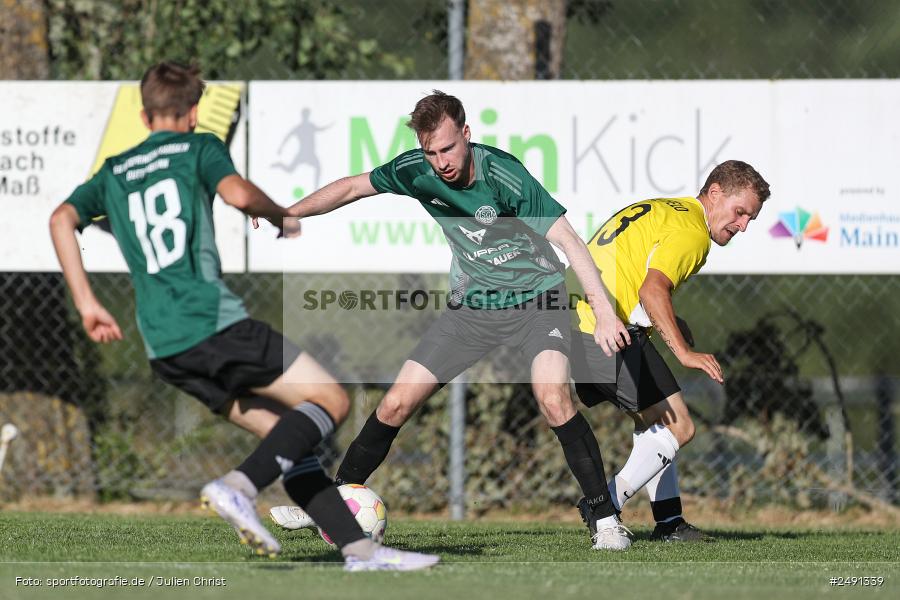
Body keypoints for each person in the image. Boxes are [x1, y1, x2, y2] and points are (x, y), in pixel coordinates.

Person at [48, 61, 438, 572]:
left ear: (144, 117)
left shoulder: (115, 170)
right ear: (192, 114)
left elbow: (61, 219)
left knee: (290, 442)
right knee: (331, 399)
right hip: (211, 322)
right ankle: (237, 487)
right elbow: (236, 194)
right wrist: (280, 213)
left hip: (164, 345)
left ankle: (360, 551)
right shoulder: (199, 147)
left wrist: (87, 303)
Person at [268, 90, 634, 550]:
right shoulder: (416, 171)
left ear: (466, 134)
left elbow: (570, 241)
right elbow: (351, 187)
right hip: (474, 309)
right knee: (395, 404)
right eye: (430, 152)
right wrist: (291, 210)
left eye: (447, 148)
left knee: (554, 399)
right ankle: (333, 501)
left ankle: (606, 521)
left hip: (538, 302)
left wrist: (603, 313)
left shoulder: (504, 175)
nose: (440, 161)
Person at [568, 160, 770, 544]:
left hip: (580, 322)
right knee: (680, 425)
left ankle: (670, 521)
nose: (743, 225)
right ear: (714, 194)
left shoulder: (667, 210)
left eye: (751, 219)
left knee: (656, 424)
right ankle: (603, 504)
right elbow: (651, 290)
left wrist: (673, 325)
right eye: (740, 212)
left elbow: (633, 277)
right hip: (602, 331)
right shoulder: (693, 232)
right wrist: (684, 352)